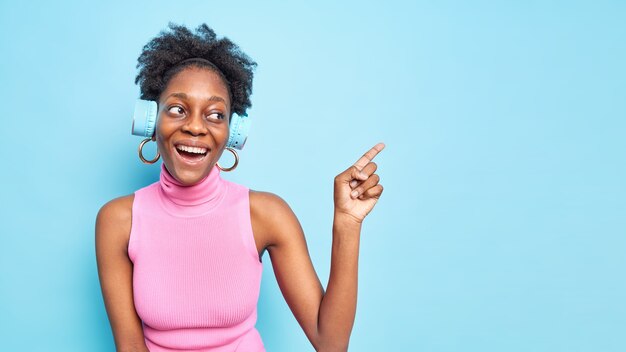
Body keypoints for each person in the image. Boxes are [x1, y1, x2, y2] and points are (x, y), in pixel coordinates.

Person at [95, 22, 385, 352]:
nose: (194, 127)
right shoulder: (118, 221)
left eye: (215, 114)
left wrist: (347, 224)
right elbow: (130, 347)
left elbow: (330, 342)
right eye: (177, 109)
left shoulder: (266, 214)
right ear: (150, 119)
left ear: (233, 132)